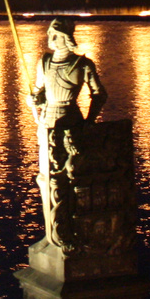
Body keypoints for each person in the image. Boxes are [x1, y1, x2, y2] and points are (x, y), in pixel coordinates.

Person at [31, 16, 108, 248]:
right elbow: (38, 92)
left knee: (69, 178)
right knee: (48, 179)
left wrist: (89, 121)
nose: (50, 40)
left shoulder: (83, 64)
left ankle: (70, 232)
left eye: (54, 35)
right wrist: (35, 99)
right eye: (48, 35)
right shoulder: (44, 62)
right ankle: (54, 233)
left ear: (66, 37)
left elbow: (99, 94)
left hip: (71, 125)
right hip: (47, 125)